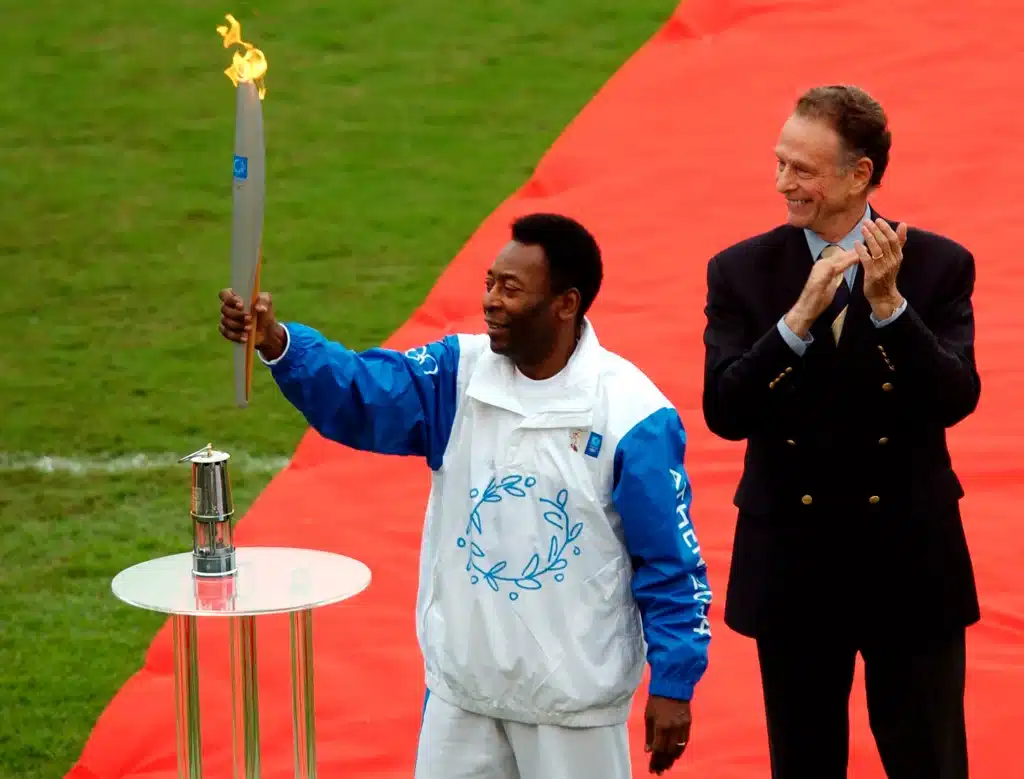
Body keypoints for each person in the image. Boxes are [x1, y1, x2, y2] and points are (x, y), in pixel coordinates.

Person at [219, 212, 712, 778]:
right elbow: (363, 392)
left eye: (511, 288)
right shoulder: (458, 376)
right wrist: (279, 342)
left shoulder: (633, 416)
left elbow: (669, 564)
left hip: (573, 712)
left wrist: (674, 683)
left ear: (566, 303)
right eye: (489, 282)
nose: (491, 301)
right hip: (464, 698)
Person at [701, 84, 981, 779]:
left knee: (929, 760)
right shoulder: (741, 271)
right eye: (780, 162)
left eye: (802, 169)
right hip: (795, 565)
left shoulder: (937, 265)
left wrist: (891, 310)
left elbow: (956, 397)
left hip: (909, 564)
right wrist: (795, 322)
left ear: (859, 175)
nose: (782, 183)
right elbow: (725, 412)